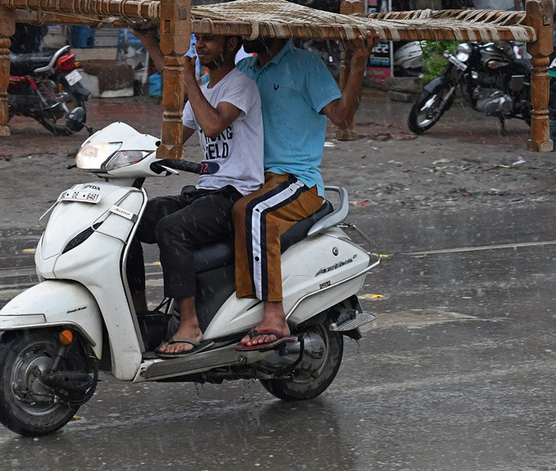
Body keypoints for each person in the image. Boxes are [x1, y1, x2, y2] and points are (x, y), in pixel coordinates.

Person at [231, 31, 379, 351]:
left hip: (296, 181)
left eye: (248, 29)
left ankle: (274, 316)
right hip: (251, 180)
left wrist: (358, 62)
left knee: (254, 212)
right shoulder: (244, 68)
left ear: (269, 31)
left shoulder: (305, 65)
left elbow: (342, 117)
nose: (241, 35)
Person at [126, 30, 264, 357]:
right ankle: (140, 314)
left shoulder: (240, 85)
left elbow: (213, 124)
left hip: (234, 195)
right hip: (204, 192)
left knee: (171, 229)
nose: (199, 45)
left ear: (231, 44)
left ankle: (189, 324)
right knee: (126, 220)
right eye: (197, 38)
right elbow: (174, 137)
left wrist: (188, 78)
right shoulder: (204, 88)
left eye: (209, 39)